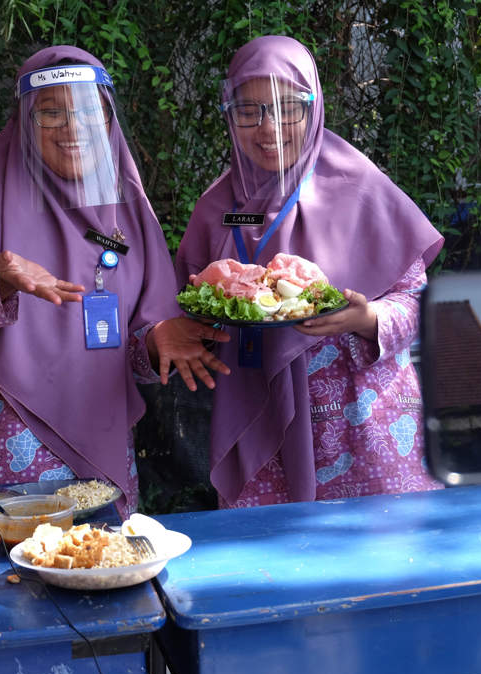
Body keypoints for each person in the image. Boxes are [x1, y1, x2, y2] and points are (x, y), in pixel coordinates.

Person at [0, 45, 229, 517]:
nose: (73, 129)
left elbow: (136, 343)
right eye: (50, 114)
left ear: (108, 120)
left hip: (97, 446)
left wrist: (157, 340)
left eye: (89, 112)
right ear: (23, 121)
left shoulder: (126, 211)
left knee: (95, 570)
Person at [175, 35, 445, 508]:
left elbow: (419, 303)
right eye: (249, 110)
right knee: (272, 565)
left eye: (287, 109)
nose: (268, 128)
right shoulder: (216, 207)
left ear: (314, 108)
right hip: (261, 423)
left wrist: (367, 319)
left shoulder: (361, 188)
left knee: (383, 567)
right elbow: (189, 308)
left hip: (361, 425)